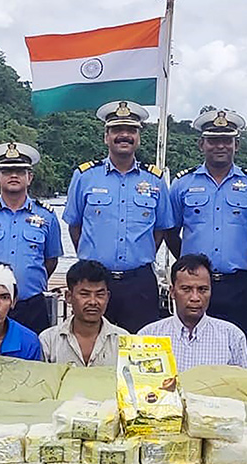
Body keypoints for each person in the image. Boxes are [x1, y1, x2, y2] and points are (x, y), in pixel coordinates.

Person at [62, 100, 176, 333]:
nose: (124, 135)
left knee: (140, 351)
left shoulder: (155, 180)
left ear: (138, 137)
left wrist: (137, 256)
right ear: (106, 136)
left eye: (131, 130)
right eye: (117, 130)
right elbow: (75, 226)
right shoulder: (84, 177)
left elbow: (160, 229)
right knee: (91, 349)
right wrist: (91, 258)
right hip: (94, 283)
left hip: (139, 284)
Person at [165, 109, 247, 346]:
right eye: (213, 140)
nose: (220, 146)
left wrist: (246, 259)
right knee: (189, 346)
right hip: (194, 287)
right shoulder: (183, 184)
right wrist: (190, 265)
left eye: (226, 140)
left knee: (238, 348)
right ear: (201, 144)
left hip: (238, 286)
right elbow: (170, 232)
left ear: (237, 145)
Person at [0, 142, 63, 334]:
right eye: (7, 171)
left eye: (20, 171)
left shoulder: (47, 216)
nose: (14, 175)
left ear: (30, 177)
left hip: (31, 306)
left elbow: (50, 261)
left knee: (32, 360)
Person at [138, 254, 247, 372]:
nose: (195, 297)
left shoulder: (232, 337)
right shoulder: (148, 336)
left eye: (202, 290)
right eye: (186, 289)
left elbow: (245, 385)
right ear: (172, 292)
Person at [39, 260, 129, 367]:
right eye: (85, 294)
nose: (93, 302)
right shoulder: (48, 340)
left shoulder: (124, 340)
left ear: (108, 297)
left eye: (100, 295)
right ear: (68, 296)